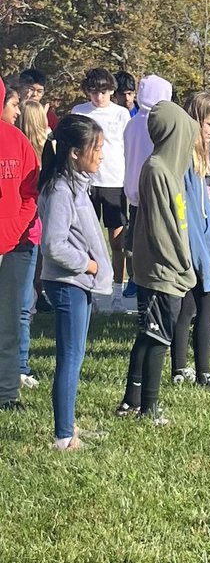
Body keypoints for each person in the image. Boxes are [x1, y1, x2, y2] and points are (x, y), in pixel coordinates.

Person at [116, 101, 198, 424]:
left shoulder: (170, 171)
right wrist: (182, 264)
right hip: (162, 271)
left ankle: (131, 402)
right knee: (156, 338)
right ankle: (147, 407)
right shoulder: (156, 171)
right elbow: (163, 229)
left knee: (149, 334)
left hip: (170, 270)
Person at [38, 114, 112, 447]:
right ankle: (63, 437)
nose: (100, 155)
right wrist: (89, 265)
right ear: (73, 152)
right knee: (70, 357)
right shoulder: (60, 191)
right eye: (95, 148)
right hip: (68, 283)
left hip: (78, 282)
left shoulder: (78, 186)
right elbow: (53, 244)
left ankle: (69, 424)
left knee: (76, 354)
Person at [170, 93, 210, 390]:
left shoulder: (201, 154)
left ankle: (181, 368)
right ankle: (201, 371)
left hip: (202, 240)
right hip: (191, 245)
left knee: (188, 307)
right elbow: (186, 207)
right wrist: (197, 250)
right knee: (207, 305)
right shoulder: (184, 156)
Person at [70, 68, 132, 312]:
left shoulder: (121, 114)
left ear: (112, 91)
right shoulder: (79, 112)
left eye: (104, 92)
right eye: (94, 92)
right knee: (86, 240)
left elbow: (127, 147)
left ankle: (116, 292)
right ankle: (91, 293)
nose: (99, 97)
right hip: (86, 182)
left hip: (115, 182)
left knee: (117, 242)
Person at [0, 76, 42, 413]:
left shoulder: (17, 142)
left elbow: (30, 193)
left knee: (9, 321)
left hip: (13, 246)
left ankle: (7, 393)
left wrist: (11, 232)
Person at [122, 74, 174, 305]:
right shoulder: (159, 123)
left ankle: (135, 274)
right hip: (154, 189)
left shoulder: (132, 123)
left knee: (135, 235)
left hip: (133, 189)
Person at [15, 99, 50, 388]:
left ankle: (21, 363)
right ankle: (21, 364)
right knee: (25, 302)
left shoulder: (30, 150)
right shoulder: (34, 152)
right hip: (29, 232)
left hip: (28, 231)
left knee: (24, 300)